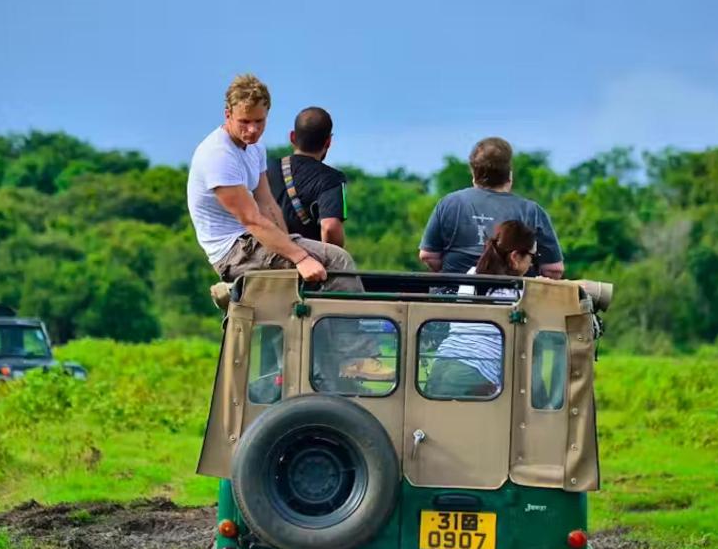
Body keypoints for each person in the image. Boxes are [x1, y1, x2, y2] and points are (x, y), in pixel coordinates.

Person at [186, 74, 390, 383]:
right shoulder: (218, 155)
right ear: (227, 114)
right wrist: (300, 257)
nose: (253, 129)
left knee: (322, 270)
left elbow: (268, 204)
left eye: (260, 121)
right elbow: (251, 219)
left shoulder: (253, 148)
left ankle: (308, 364)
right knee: (338, 262)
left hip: (254, 240)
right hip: (234, 251)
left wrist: (291, 240)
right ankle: (356, 357)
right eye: (245, 121)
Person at [418, 137, 564, 279]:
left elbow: (428, 256)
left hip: (452, 296)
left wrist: (458, 277)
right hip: (512, 300)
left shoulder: (447, 203)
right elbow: (553, 270)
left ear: (474, 173)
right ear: (509, 174)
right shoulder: (532, 212)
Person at [426, 220, 537, 399]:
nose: (532, 264)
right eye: (533, 256)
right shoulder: (515, 290)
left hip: (442, 363)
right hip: (475, 373)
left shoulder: (471, 275)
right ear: (516, 257)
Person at [267, 107, 347, 247]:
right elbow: (330, 227)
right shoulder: (333, 179)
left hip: (264, 257)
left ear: (292, 137)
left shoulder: (266, 169)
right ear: (328, 142)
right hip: (307, 263)